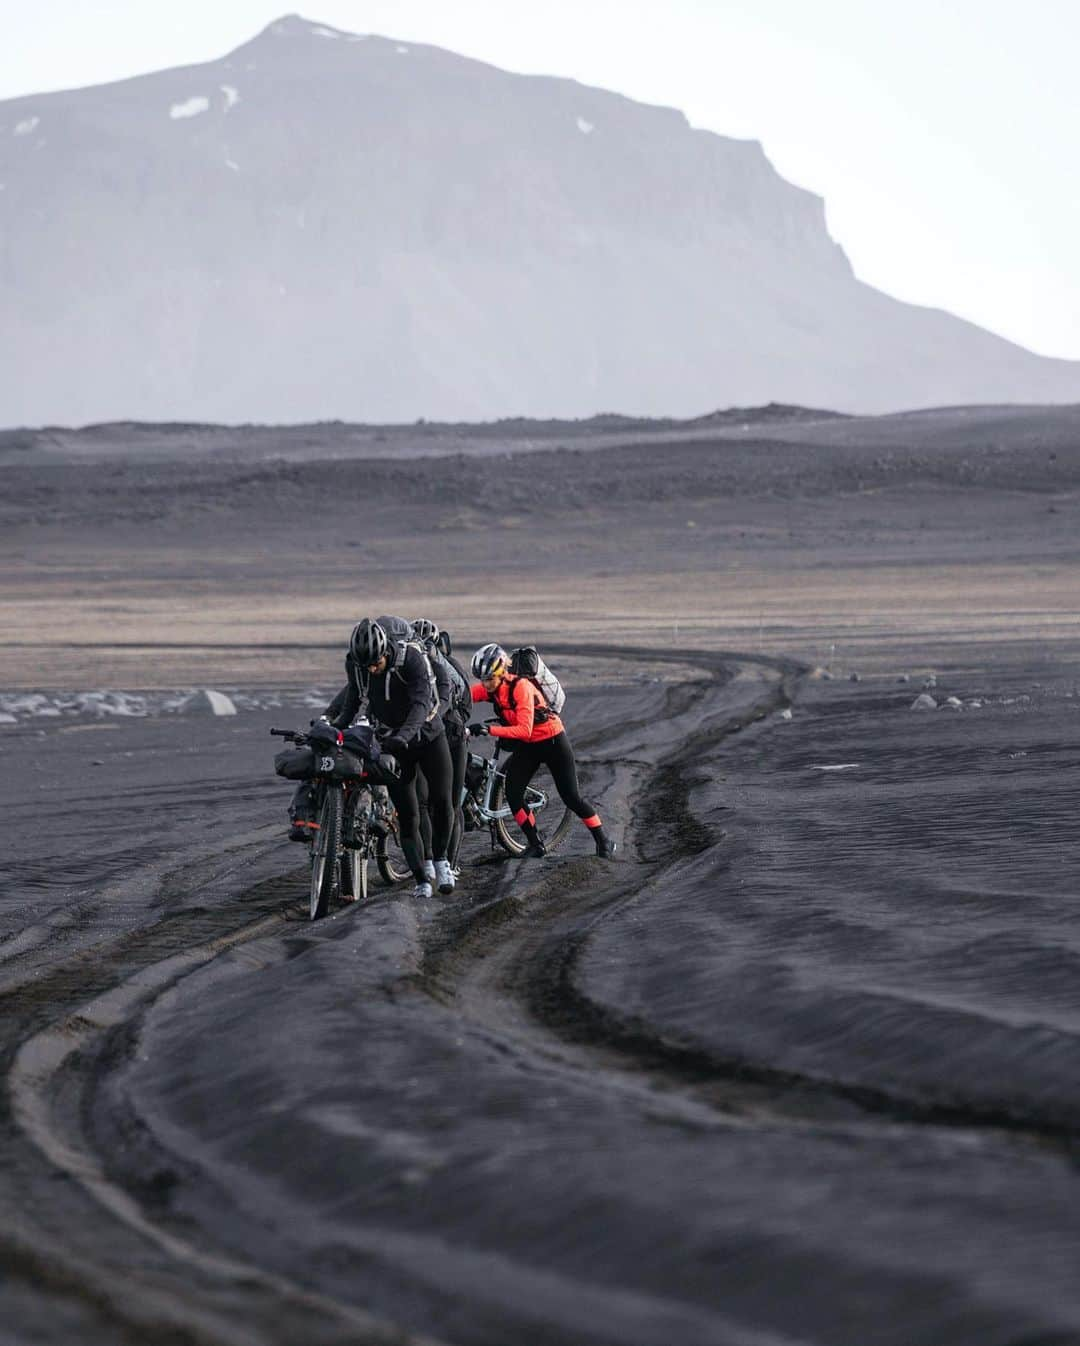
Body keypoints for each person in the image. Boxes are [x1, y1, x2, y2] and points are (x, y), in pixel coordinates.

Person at [323, 617, 456, 899]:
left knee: (441, 801)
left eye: (376, 664)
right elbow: (352, 704)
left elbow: (421, 704)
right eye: (366, 666)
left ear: (386, 652)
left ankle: (442, 860)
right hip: (393, 745)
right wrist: (330, 729)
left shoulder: (412, 660)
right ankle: (421, 879)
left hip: (429, 736)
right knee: (408, 816)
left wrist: (403, 736)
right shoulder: (358, 667)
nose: (372, 669)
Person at [468, 643, 616, 859]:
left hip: (552, 741)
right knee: (513, 793)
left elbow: (524, 729)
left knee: (571, 798)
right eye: (483, 680)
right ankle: (535, 844)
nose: (486, 684)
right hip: (530, 746)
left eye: (489, 679)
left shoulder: (521, 688)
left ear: (501, 673)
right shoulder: (492, 688)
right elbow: (464, 695)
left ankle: (603, 841)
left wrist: (488, 729)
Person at [413, 619, 472, 871]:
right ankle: (449, 865)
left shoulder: (411, 668)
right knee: (451, 804)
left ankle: (429, 861)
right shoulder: (451, 667)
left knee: (424, 804)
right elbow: (467, 706)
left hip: (425, 739)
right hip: (453, 737)